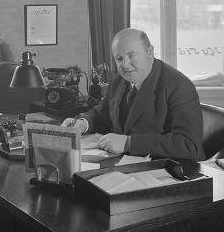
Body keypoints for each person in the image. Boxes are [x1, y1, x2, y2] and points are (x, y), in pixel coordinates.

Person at [61, 28, 203, 161]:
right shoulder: (120, 79)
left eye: (131, 55)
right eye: (119, 58)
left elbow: (188, 145)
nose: (125, 64)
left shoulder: (179, 86)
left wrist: (129, 143)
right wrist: (83, 123)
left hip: (170, 169)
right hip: (126, 164)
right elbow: (102, 113)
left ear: (150, 51)